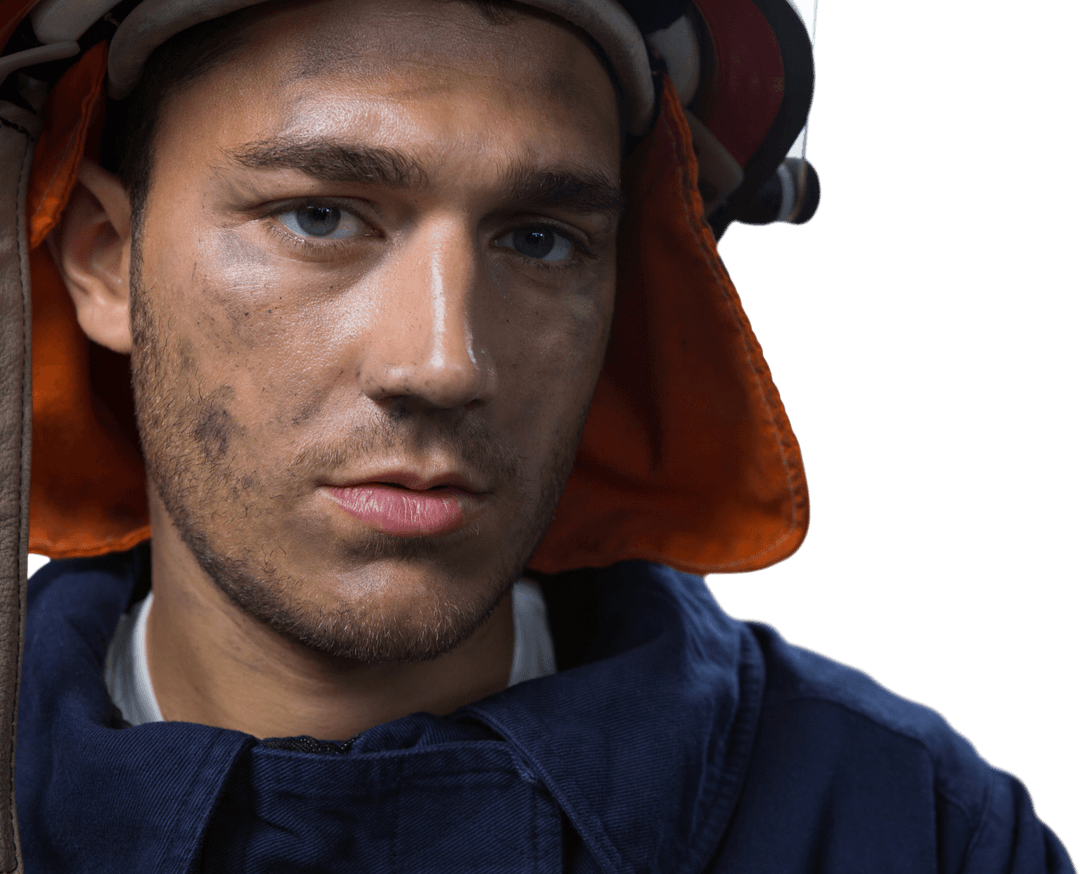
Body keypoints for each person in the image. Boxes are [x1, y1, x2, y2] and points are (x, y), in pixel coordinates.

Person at [0, 0, 1073, 871]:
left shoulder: (912, 832)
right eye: (321, 215)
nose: (442, 363)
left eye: (538, 238)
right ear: (102, 256)